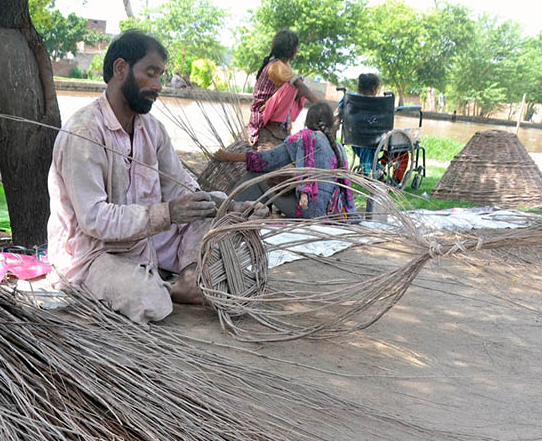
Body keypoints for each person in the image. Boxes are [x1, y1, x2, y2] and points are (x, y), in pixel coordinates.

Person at [47, 30, 264, 324]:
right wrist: (167, 213)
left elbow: (181, 189)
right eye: (151, 74)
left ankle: (188, 278)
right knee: (150, 299)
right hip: (92, 254)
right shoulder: (84, 132)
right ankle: (174, 288)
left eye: (161, 75)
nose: (158, 85)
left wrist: (233, 208)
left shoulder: (153, 130)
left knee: (208, 216)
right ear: (120, 68)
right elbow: (94, 220)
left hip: (146, 243)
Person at [215, 102, 354, 219]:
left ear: (308, 121)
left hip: (309, 211)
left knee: (257, 176)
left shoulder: (303, 138)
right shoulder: (338, 147)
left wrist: (228, 156)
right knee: (275, 180)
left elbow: (265, 160)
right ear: (331, 122)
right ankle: (248, 212)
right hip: (332, 212)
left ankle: (228, 211)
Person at [249, 29, 320, 148]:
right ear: (289, 48)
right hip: (262, 113)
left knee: (298, 84)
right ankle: (274, 124)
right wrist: (320, 104)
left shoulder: (284, 66)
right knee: (294, 85)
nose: (297, 51)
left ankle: (283, 122)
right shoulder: (276, 66)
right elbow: (298, 85)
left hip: (270, 109)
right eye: (296, 47)